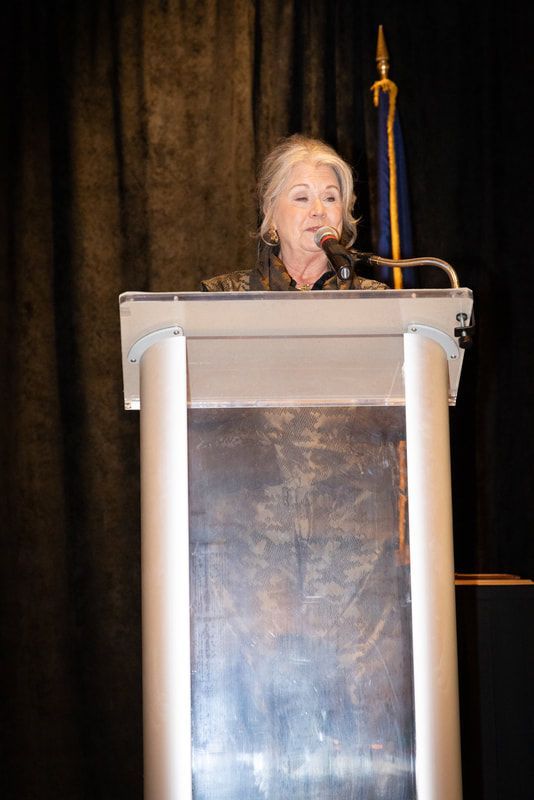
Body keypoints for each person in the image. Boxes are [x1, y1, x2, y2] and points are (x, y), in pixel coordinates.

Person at [201, 134, 387, 292]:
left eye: (330, 198)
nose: (318, 211)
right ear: (271, 214)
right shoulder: (223, 294)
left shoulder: (375, 299)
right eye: (302, 198)